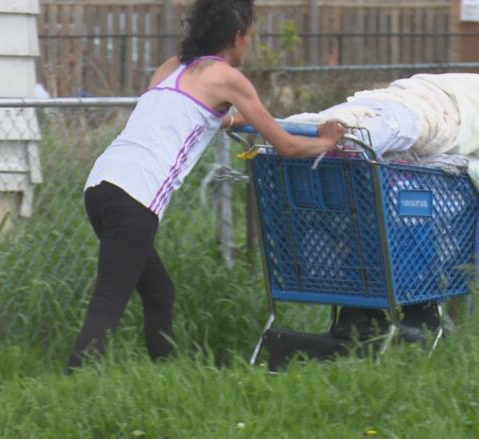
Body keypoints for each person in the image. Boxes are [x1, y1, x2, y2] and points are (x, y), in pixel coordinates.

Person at [67, 0, 345, 370]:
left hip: (101, 186)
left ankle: (163, 376)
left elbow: (184, 114)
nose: (249, 43)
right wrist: (326, 143)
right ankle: (75, 380)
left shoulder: (171, 67)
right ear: (237, 35)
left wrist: (226, 121)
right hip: (135, 196)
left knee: (160, 292)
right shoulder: (227, 77)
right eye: (249, 35)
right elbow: (287, 144)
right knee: (108, 304)